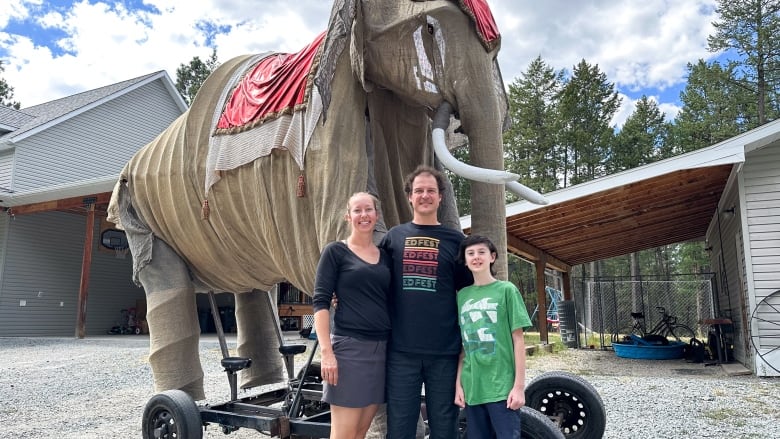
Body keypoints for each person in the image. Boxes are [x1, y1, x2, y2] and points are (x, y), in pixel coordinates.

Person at [381, 165, 473, 439]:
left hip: (444, 352)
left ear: (440, 197)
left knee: (445, 427)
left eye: (430, 190)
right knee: (399, 428)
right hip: (400, 351)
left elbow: (470, 293)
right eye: (418, 190)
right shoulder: (393, 238)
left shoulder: (456, 241)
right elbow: (374, 283)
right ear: (409, 196)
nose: (424, 195)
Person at [312, 192, 392, 439]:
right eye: (357, 210)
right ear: (348, 216)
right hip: (349, 350)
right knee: (344, 435)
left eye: (368, 209)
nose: (363, 215)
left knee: (360, 433)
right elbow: (321, 301)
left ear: (376, 215)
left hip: (381, 351)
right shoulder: (335, 252)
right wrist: (327, 353)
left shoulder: (386, 257)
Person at [454, 235, 532, 439]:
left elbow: (518, 340)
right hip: (472, 387)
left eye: (481, 252)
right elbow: (463, 347)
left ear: (492, 257)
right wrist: (458, 386)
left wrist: (519, 387)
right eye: (470, 253)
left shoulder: (507, 290)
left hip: (501, 387)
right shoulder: (462, 296)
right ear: (465, 260)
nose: (476, 257)